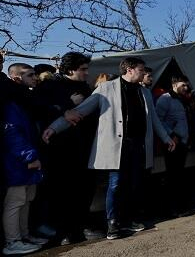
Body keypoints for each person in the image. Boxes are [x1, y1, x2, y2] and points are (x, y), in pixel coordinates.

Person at [41, 57, 176, 240]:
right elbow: (81, 110)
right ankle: (113, 223)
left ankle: (129, 219)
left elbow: (153, 119)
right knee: (116, 184)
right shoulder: (106, 89)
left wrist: (166, 138)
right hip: (118, 147)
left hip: (138, 145)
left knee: (134, 184)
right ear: (129, 70)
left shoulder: (144, 92)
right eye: (141, 70)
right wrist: (54, 127)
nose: (144, 73)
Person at [34, 52, 101, 244]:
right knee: (63, 192)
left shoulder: (84, 88)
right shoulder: (49, 86)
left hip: (85, 147)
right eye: (83, 69)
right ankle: (64, 230)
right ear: (70, 69)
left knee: (84, 189)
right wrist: (66, 106)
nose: (87, 73)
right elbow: (38, 107)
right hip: (60, 151)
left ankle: (81, 226)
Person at [1, 63, 47, 255]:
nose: (35, 78)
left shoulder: (22, 100)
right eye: (30, 75)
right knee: (16, 202)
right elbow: (13, 134)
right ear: (16, 78)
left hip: (26, 159)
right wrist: (29, 156)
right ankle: (13, 242)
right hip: (18, 161)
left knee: (26, 200)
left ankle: (24, 235)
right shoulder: (12, 103)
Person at [156, 75, 191, 215]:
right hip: (172, 143)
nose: (186, 88)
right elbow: (158, 120)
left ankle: (180, 206)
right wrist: (171, 135)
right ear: (175, 84)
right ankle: (172, 209)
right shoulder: (165, 99)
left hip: (182, 142)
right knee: (173, 175)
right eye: (183, 85)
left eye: (187, 85)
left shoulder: (182, 100)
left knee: (179, 174)